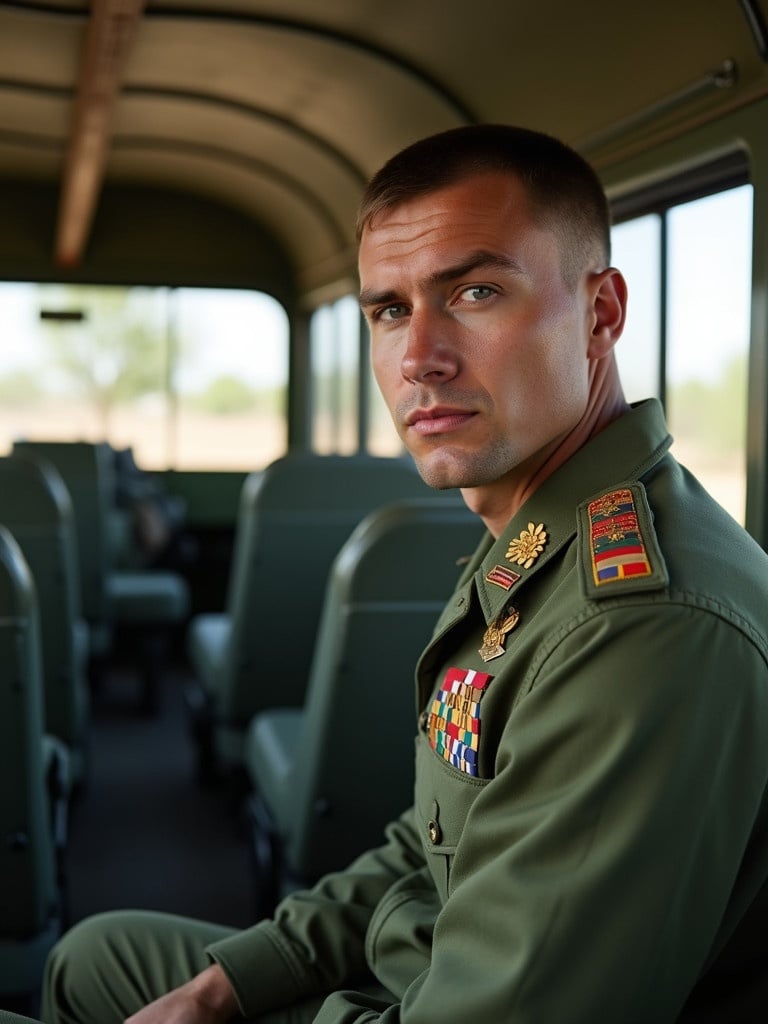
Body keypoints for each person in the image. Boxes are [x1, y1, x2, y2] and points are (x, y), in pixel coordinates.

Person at [41, 124, 768, 1023]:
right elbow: (435, 846)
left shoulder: (641, 625)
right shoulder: (540, 535)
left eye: (474, 291)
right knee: (94, 957)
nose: (419, 357)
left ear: (601, 314)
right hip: (422, 966)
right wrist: (228, 984)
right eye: (389, 310)